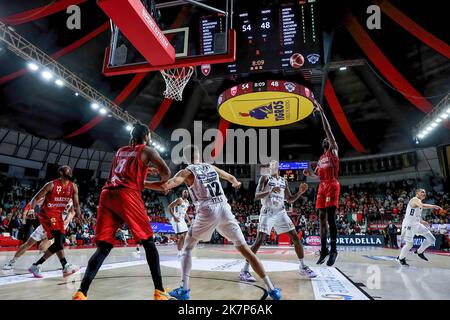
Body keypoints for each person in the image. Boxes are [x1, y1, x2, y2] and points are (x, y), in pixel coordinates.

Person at [148, 145, 282, 300]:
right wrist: (236, 182)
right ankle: (272, 290)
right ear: (198, 155)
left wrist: (142, 183)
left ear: (185, 158)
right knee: (246, 250)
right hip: (224, 208)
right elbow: (230, 177)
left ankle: (184, 290)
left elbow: (165, 186)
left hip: (207, 210)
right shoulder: (210, 167)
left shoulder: (186, 171)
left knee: (187, 248)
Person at [72, 123, 175, 300]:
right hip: (127, 195)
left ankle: (82, 292)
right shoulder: (148, 150)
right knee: (149, 242)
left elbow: (120, 176)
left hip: (107, 194)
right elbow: (166, 172)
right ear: (147, 136)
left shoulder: (120, 151)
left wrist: (144, 174)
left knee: (104, 247)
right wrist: (162, 183)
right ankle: (159, 291)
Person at [240, 160, 316, 282]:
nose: (274, 167)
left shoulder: (283, 181)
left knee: (296, 238)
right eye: (272, 165)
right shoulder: (265, 179)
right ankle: (244, 270)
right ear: (270, 168)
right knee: (259, 241)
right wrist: (270, 191)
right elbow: (256, 195)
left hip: (281, 212)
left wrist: (300, 192)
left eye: (276, 165)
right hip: (268, 212)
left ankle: (302, 266)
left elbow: (290, 199)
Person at [27, 165, 81, 278]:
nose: (70, 171)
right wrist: (31, 209)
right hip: (47, 214)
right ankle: (64, 266)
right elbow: (36, 198)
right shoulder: (51, 185)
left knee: (59, 241)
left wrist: (79, 214)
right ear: (61, 172)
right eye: (67, 170)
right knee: (58, 240)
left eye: (70, 170)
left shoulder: (73, 187)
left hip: (58, 215)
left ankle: (39, 265)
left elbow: (76, 204)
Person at [303, 101, 340, 266]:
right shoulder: (320, 159)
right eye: (325, 139)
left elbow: (328, 130)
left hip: (332, 184)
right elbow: (316, 176)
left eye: (328, 139)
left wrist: (322, 113)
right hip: (322, 186)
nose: (326, 139)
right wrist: (308, 174)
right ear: (322, 143)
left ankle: (334, 250)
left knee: (330, 218)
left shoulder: (333, 150)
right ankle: (323, 249)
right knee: (321, 219)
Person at [3, 199, 75, 270]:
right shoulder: (51, 194)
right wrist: (26, 213)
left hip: (59, 227)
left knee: (46, 247)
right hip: (47, 224)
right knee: (29, 243)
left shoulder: (70, 198)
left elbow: (72, 212)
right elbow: (33, 201)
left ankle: (63, 264)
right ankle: (11, 262)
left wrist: (67, 220)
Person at [397, 188, 442, 266]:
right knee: (409, 244)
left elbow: (414, 214)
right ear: (417, 193)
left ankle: (419, 252)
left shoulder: (418, 202)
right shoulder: (415, 199)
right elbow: (422, 206)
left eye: (424, 192)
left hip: (417, 224)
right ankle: (400, 258)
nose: (424, 193)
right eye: (422, 192)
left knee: (431, 239)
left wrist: (421, 221)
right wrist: (434, 206)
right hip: (409, 225)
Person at [168, 189, 191, 259]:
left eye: (187, 192)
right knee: (181, 236)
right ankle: (179, 252)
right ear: (182, 193)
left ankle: (181, 250)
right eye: (184, 192)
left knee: (185, 236)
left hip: (182, 220)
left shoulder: (187, 202)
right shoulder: (179, 200)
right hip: (177, 219)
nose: (186, 193)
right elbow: (169, 207)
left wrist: (189, 220)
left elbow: (185, 212)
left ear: (188, 194)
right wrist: (174, 217)